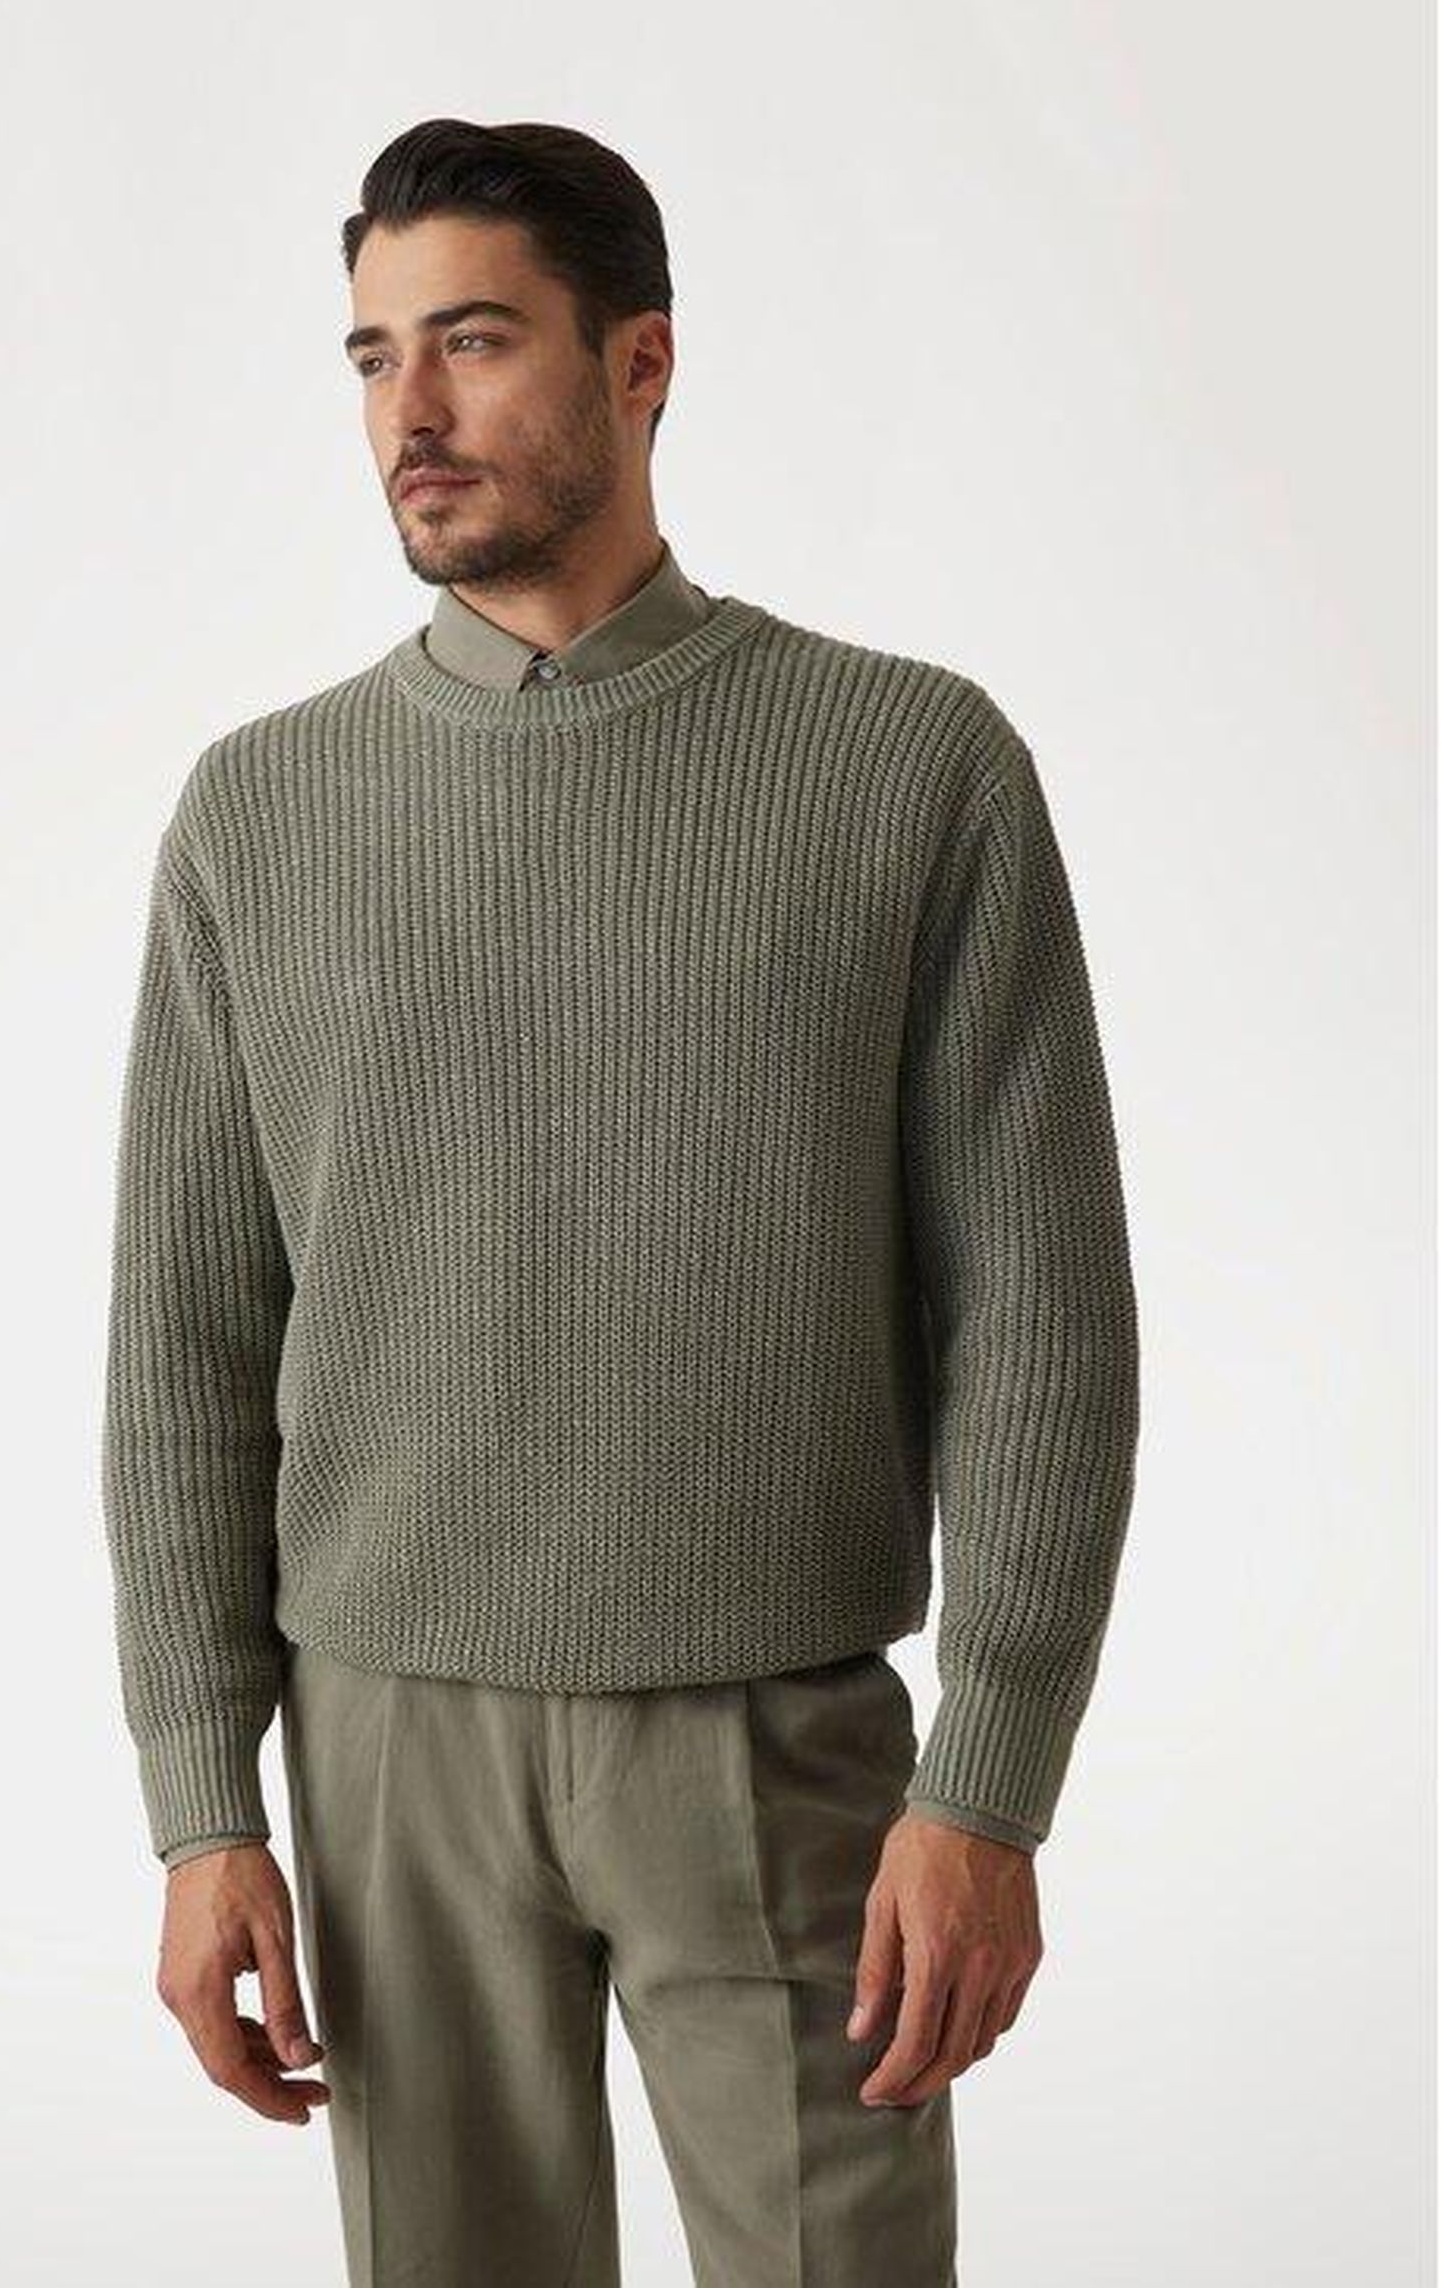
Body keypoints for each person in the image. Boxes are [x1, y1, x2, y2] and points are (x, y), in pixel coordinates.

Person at [101, 116, 1140, 2286]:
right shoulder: (260, 812)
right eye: (373, 354)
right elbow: (185, 1346)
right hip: (387, 1745)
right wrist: (204, 1801)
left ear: (640, 360)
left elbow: (1043, 1317)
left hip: (782, 1732)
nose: (410, 409)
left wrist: (988, 1783)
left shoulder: (908, 766)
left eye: (474, 341)